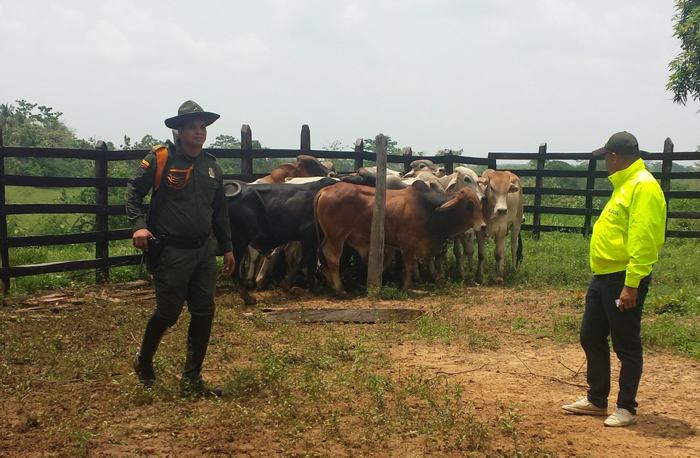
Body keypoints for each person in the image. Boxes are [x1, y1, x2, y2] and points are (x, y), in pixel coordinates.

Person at [125, 100, 236, 396]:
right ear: (178, 131)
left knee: (204, 312)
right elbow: (133, 192)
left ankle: (192, 379)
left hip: (204, 251)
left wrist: (227, 247)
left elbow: (220, 212)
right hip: (171, 251)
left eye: (202, 127)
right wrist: (138, 225)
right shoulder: (161, 159)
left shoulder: (211, 166)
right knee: (167, 314)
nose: (199, 132)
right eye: (192, 127)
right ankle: (144, 361)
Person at [562, 131, 666, 426]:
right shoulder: (626, 184)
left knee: (626, 343)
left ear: (615, 157)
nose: (605, 162)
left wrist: (631, 283)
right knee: (590, 335)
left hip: (622, 277)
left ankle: (626, 407)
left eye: (606, 157)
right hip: (604, 275)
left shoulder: (642, 187)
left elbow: (644, 238)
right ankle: (596, 399)